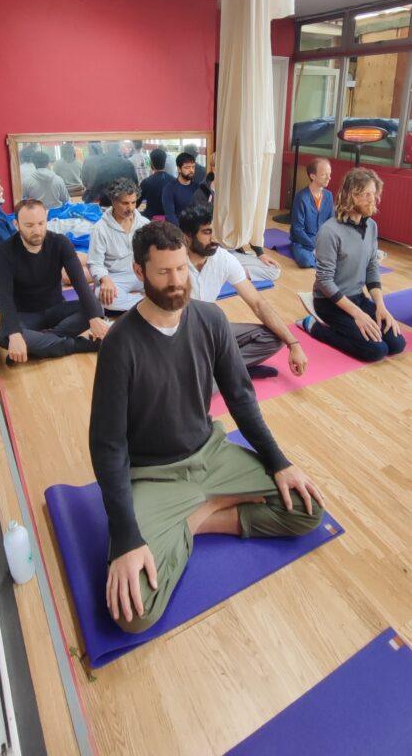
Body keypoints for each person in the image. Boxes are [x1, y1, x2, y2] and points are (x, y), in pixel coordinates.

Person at [89, 220, 324, 634]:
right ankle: (200, 512)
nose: (177, 282)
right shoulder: (120, 344)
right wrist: (126, 537)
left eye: (182, 269)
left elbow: (241, 400)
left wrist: (280, 462)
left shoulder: (211, 319)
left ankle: (199, 516)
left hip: (212, 455)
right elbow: (107, 444)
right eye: (164, 272)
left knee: (309, 510)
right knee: (133, 613)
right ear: (140, 272)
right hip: (154, 475)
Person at [179, 205, 308, 382]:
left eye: (216, 231)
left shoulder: (223, 258)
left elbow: (258, 304)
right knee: (195, 390)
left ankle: (224, 371)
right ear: (187, 236)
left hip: (209, 331)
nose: (215, 238)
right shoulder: (171, 262)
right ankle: (226, 372)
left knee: (274, 337)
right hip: (180, 338)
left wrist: (293, 344)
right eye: (208, 232)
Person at [298, 167, 406, 362]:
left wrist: (381, 306)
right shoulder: (329, 231)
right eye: (366, 194)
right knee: (376, 351)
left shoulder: (371, 226)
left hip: (357, 297)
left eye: (374, 194)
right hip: (329, 303)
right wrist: (358, 314)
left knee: (397, 344)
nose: (372, 199)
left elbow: (372, 266)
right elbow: (324, 281)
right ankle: (313, 325)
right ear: (351, 196)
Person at [0, 199, 109, 364]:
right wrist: (15, 334)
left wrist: (95, 317)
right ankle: (77, 345)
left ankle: (40, 345)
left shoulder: (60, 243)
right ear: (16, 224)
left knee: (96, 308)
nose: (37, 230)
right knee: (4, 335)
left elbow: (80, 284)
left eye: (41, 223)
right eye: (29, 225)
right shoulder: (3, 252)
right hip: (24, 315)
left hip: (56, 309)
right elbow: (2, 298)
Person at [88, 178, 149, 311]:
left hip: (141, 273)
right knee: (104, 297)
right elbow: (95, 263)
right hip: (116, 277)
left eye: (133, 202)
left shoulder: (144, 223)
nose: (131, 208)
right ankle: (149, 302)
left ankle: (142, 303)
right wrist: (105, 279)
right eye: (125, 203)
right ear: (113, 202)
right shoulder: (100, 228)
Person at [290, 159, 334, 268]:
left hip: (322, 241)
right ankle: (319, 256)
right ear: (313, 176)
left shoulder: (328, 196)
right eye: (324, 175)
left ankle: (322, 256)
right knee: (305, 261)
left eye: (329, 174)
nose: (329, 178)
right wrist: (314, 246)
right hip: (303, 242)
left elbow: (331, 223)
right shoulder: (301, 197)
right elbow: (297, 229)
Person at [162, 152, 198, 225]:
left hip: (195, 229)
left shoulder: (197, 187)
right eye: (187, 167)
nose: (191, 170)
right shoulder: (169, 189)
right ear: (179, 169)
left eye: (193, 167)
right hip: (177, 230)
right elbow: (170, 216)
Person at [137, 148, 174, 220]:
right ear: (165, 161)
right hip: (170, 220)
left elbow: (136, 203)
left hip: (151, 219)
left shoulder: (146, 182)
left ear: (151, 163)